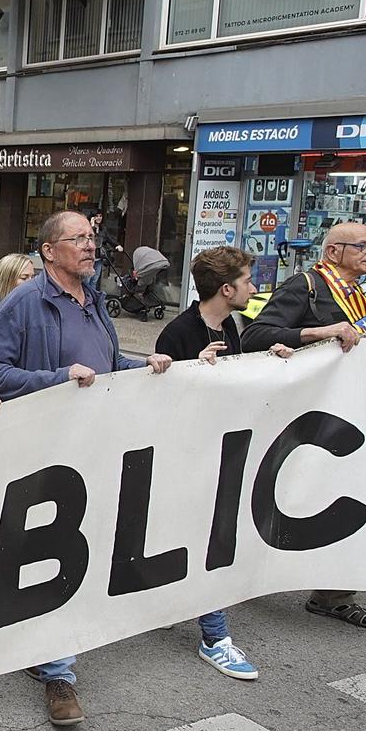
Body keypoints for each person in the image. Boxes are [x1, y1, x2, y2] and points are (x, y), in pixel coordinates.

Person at [0, 210, 174, 727]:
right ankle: (59, 673)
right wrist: (59, 378)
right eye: (79, 239)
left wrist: (141, 366)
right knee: (54, 551)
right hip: (45, 453)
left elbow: (103, 364)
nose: (91, 247)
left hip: (93, 448)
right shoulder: (25, 302)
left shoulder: (96, 299)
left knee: (69, 550)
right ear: (48, 250)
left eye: (92, 238)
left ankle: (40, 646)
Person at [253, 219, 366, 631]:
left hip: (347, 417)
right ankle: (250, 571)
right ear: (333, 251)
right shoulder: (304, 286)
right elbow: (255, 335)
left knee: (347, 498)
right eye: (362, 246)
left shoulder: (359, 295)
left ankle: (334, 595)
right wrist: (320, 331)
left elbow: (360, 340)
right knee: (290, 497)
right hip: (304, 418)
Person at [153, 246, 298, 680]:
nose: (254, 289)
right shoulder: (178, 332)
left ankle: (194, 618)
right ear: (227, 288)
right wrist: (195, 373)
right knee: (209, 542)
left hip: (222, 455)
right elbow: (157, 399)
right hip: (186, 459)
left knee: (207, 541)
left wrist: (268, 365)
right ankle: (215, 637)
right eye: (249, 281)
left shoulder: (234, 326)